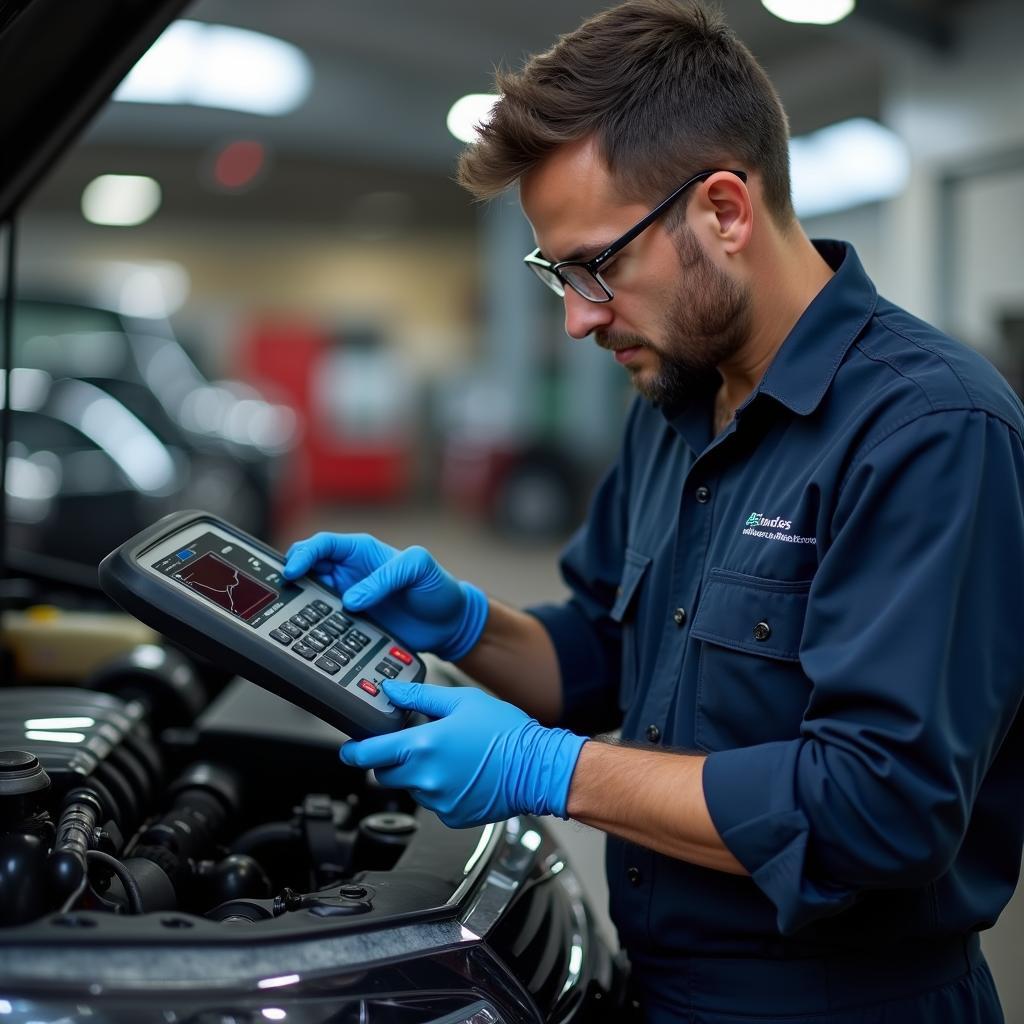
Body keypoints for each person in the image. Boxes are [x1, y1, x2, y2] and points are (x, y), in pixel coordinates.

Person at [283, 2, 1024, 1020]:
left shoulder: (929, 429)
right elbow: (601, 654)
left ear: (723, 210)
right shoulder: (677, 400)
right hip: (660, 985)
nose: (578, 316)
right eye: (557, 273)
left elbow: (878, 808)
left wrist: (548, 769)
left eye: (597, 265)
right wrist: (464, 622)